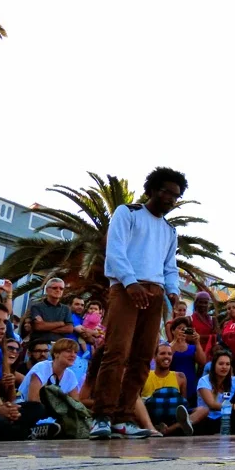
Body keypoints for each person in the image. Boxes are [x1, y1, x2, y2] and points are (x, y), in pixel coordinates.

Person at [90, 167, 185, 440]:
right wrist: (131, 283)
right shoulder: (127, 212)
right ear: (152, 190)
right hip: (125, 288)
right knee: (117, 351)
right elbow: (116, 250)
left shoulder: (169, 230)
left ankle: (124, 418)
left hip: (154, 292)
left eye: (176, 196)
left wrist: (173, 291)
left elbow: (170, 265)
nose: (171, 199)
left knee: (143, 356)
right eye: (166, 191)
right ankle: (102, 416)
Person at [0, 302, 50, 441]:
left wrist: (8, 410)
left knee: (36, 408)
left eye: (5, 321)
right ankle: (26, 433)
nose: (2, 327)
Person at [175, 350, 235, 436]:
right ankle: (176, 429)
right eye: (221, 364)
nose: (224, 367)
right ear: (214, 365)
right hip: (209, 419)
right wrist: (234, 406)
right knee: (198, 426)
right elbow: (212, 405)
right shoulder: (204, 380)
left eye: (227, 364)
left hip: (228, 419)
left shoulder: (234, 380)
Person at [141, 343, 189, 436]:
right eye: (162, 353)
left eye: (169, 354)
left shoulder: (180, 377)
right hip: (151, 415)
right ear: (154, 357)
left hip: (172, 417)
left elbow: (183, 406)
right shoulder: (145, 375)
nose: (166, 357)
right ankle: (154, 427)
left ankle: (167, 430)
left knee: (202, 411)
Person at [18, 338, 80, 403]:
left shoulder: (70, 374)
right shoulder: (41, 367)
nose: (73, 355)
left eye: (75, 352)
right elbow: (33, 400)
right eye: (68, 351)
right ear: (56, 354)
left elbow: (76, 403)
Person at [169, 316, 207, 406]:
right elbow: (167, 359)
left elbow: (202, 361)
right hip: (173, 384)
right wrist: (175, 340)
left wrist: (197, 342)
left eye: (184, 329)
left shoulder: (192, 347)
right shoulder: (167, 346)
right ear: (173, 331)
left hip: (190, 385)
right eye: (179, 328)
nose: (182, 331)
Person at [29, 278, 74, 345]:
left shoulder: (66, 309)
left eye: (61, 288)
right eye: (54, 288)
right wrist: (61, 323)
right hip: (39, 346)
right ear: (47, 290)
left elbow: (69, 329)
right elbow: (39, 326)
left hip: (58, 347)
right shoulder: (36, 307)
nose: (58, 290)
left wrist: (46, 327)